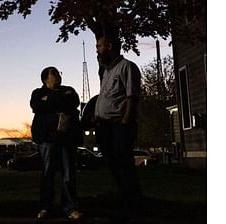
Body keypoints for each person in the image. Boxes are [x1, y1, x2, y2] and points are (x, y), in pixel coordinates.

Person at [94, 35, 143, 222]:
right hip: (105, 126)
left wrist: (125, 121)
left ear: (110, 46)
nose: (97, 49)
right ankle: (125, 202)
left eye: (99, 46)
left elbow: (132, 96)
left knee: (125, 166)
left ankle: (134, 207)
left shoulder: (127, 67)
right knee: (114, 166)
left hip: (119, 125)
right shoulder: (107, 71)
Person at [30, 67, 83, 221]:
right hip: (46, 139)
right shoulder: (37, 93)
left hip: (66, 139)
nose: (59, 76)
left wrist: (50, 100)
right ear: (45, 79)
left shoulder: (69, 90)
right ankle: (46, 207)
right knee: (47, 174)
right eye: (54, 74)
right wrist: (59, 99)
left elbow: (73, 102)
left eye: (59, 74)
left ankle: (70, 208)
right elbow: (37, 106)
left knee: (68, 174)